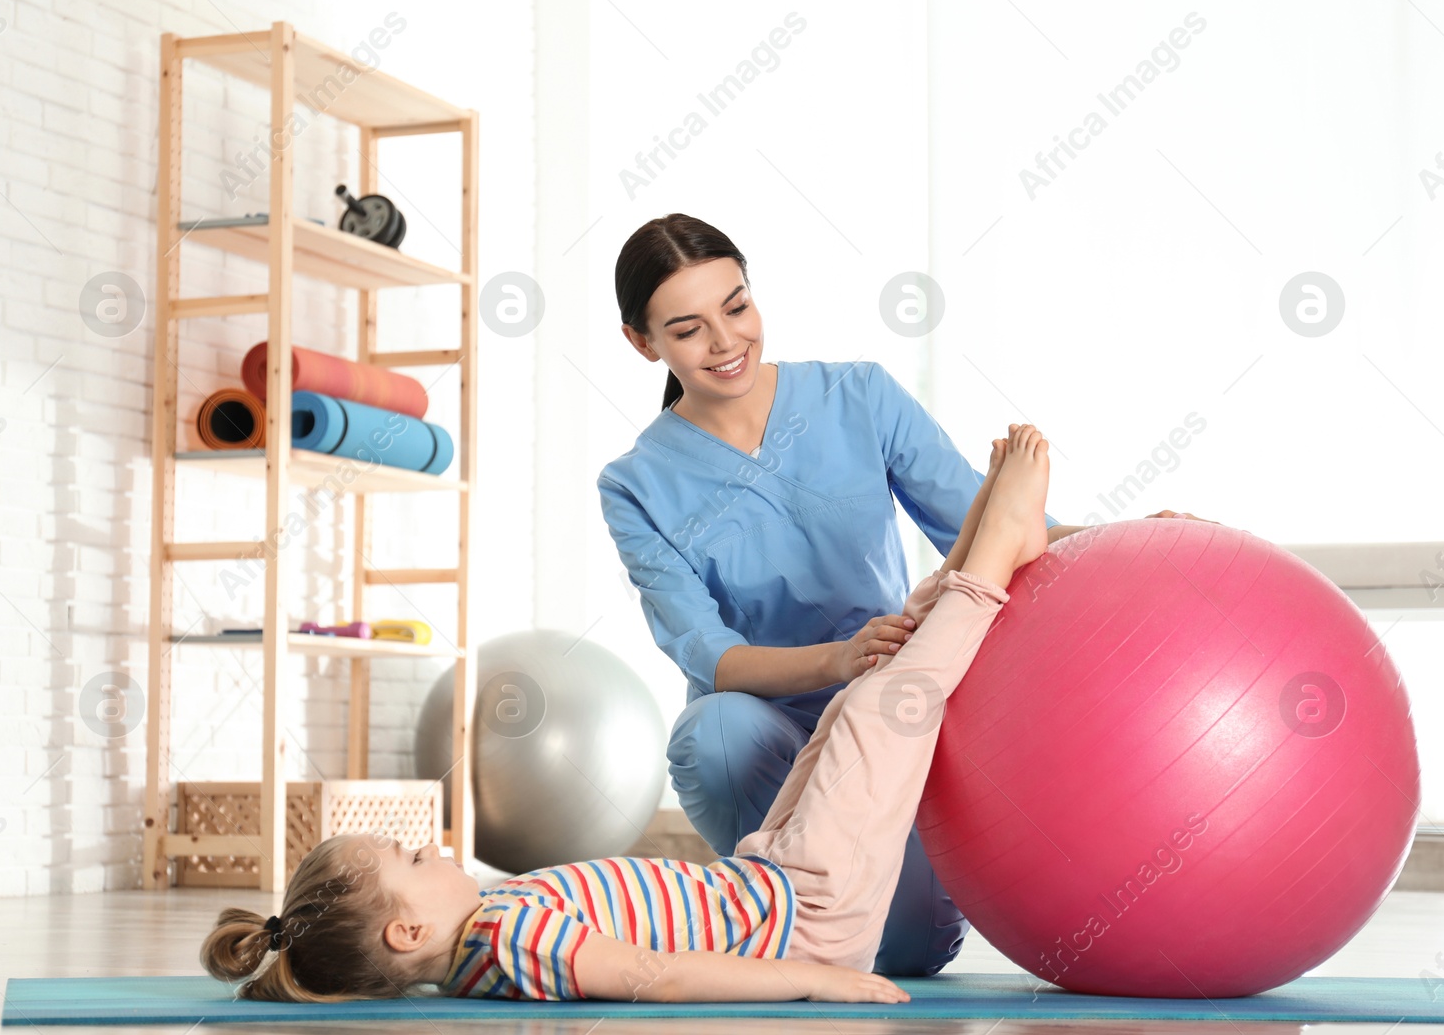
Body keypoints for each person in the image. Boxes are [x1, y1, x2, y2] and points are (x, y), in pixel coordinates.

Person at [200, 424, 1054, 1004]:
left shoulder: (483, 939)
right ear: (408, 927)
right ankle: (991, 560)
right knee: (880, 714)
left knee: (842, 718)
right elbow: (656, 975)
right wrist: (815, 979)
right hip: (809, 921)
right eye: (415, 855)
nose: (440, 846)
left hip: (770, 880)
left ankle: (967, 554)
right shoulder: (506, 937)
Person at [597, 212, 1066, 975]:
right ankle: (781, 920)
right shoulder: (635, 484)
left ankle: (833, 923)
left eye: (737, 307)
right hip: (772, 734)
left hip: (894, 719)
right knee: (712, 732)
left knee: (907, 946)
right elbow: (713, 657)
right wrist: (839, 659)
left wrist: (1132, 534)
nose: (726, 342)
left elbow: (997, 526)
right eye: (688, 329)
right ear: (642, 342)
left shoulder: (859, 395)